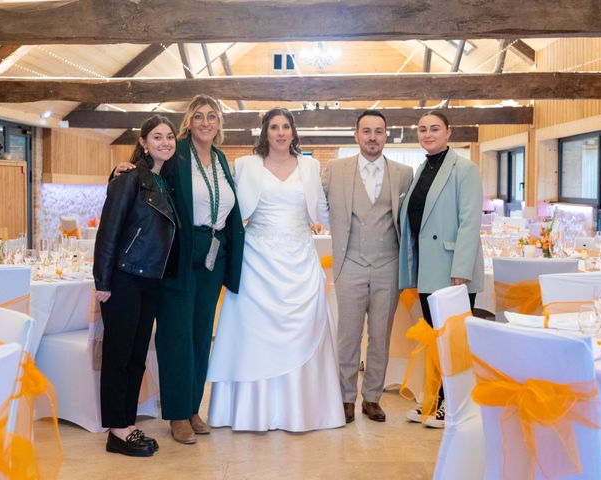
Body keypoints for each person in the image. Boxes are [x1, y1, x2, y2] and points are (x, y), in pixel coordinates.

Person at [113, 95, 244, 444]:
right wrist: (121, 169)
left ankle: (192, 407)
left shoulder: (219, 158)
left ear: (219, 123)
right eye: (198, 116)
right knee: (176, 335)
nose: (205, 122)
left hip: (214, 254)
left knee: (202, 335)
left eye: (212, 116)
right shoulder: (177, 153)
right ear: (189, 121)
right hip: (180, 253)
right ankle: (175, 413)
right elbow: (146, 175)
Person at [207, 107, 345, 432]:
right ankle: (249, 412)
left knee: (306, 330)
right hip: (257, 261)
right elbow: (227, 206)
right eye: (274, 127)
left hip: (300, 261)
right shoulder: (245, 166)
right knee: (254, 335)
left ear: (293, 132)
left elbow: (323, 211)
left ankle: (303, 411)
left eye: (286, 127)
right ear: (265, 133)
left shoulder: (310, 166)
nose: (281, 132)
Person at [93, 114, 178, 457]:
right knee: (118, 355)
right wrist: (103, 279)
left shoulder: (163, 182)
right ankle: (117, 428)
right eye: (157, 137)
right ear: (143, 142)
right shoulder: (129, 179)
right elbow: (108, 230)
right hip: (125, 277)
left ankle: (125, 422)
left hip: (150, 280)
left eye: (169, 136)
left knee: (137, 357)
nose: (165, 142)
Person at [322, 110, 413, 423]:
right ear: (356, 135)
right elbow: (312, 202)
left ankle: (372, 398)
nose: (372, 137)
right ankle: (345, 398)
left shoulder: (404, 173)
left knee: (380, 335)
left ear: (387, 135)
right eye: (366, 131)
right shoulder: (335, 170)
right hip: (350, 263)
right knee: (347, 335)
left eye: (378, 131)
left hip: (389, 263)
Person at [398, 111, 484, 428]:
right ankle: (433, 400)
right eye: (422, 129)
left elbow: (470, 221)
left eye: (435, 128)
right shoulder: (423, 168)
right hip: (427, 266)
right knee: (436, 340)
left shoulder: (465, 169)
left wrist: (460, 269)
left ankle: (455, 405)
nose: (428, 133)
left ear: (449, 132)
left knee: (454, 341)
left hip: (452, 269)